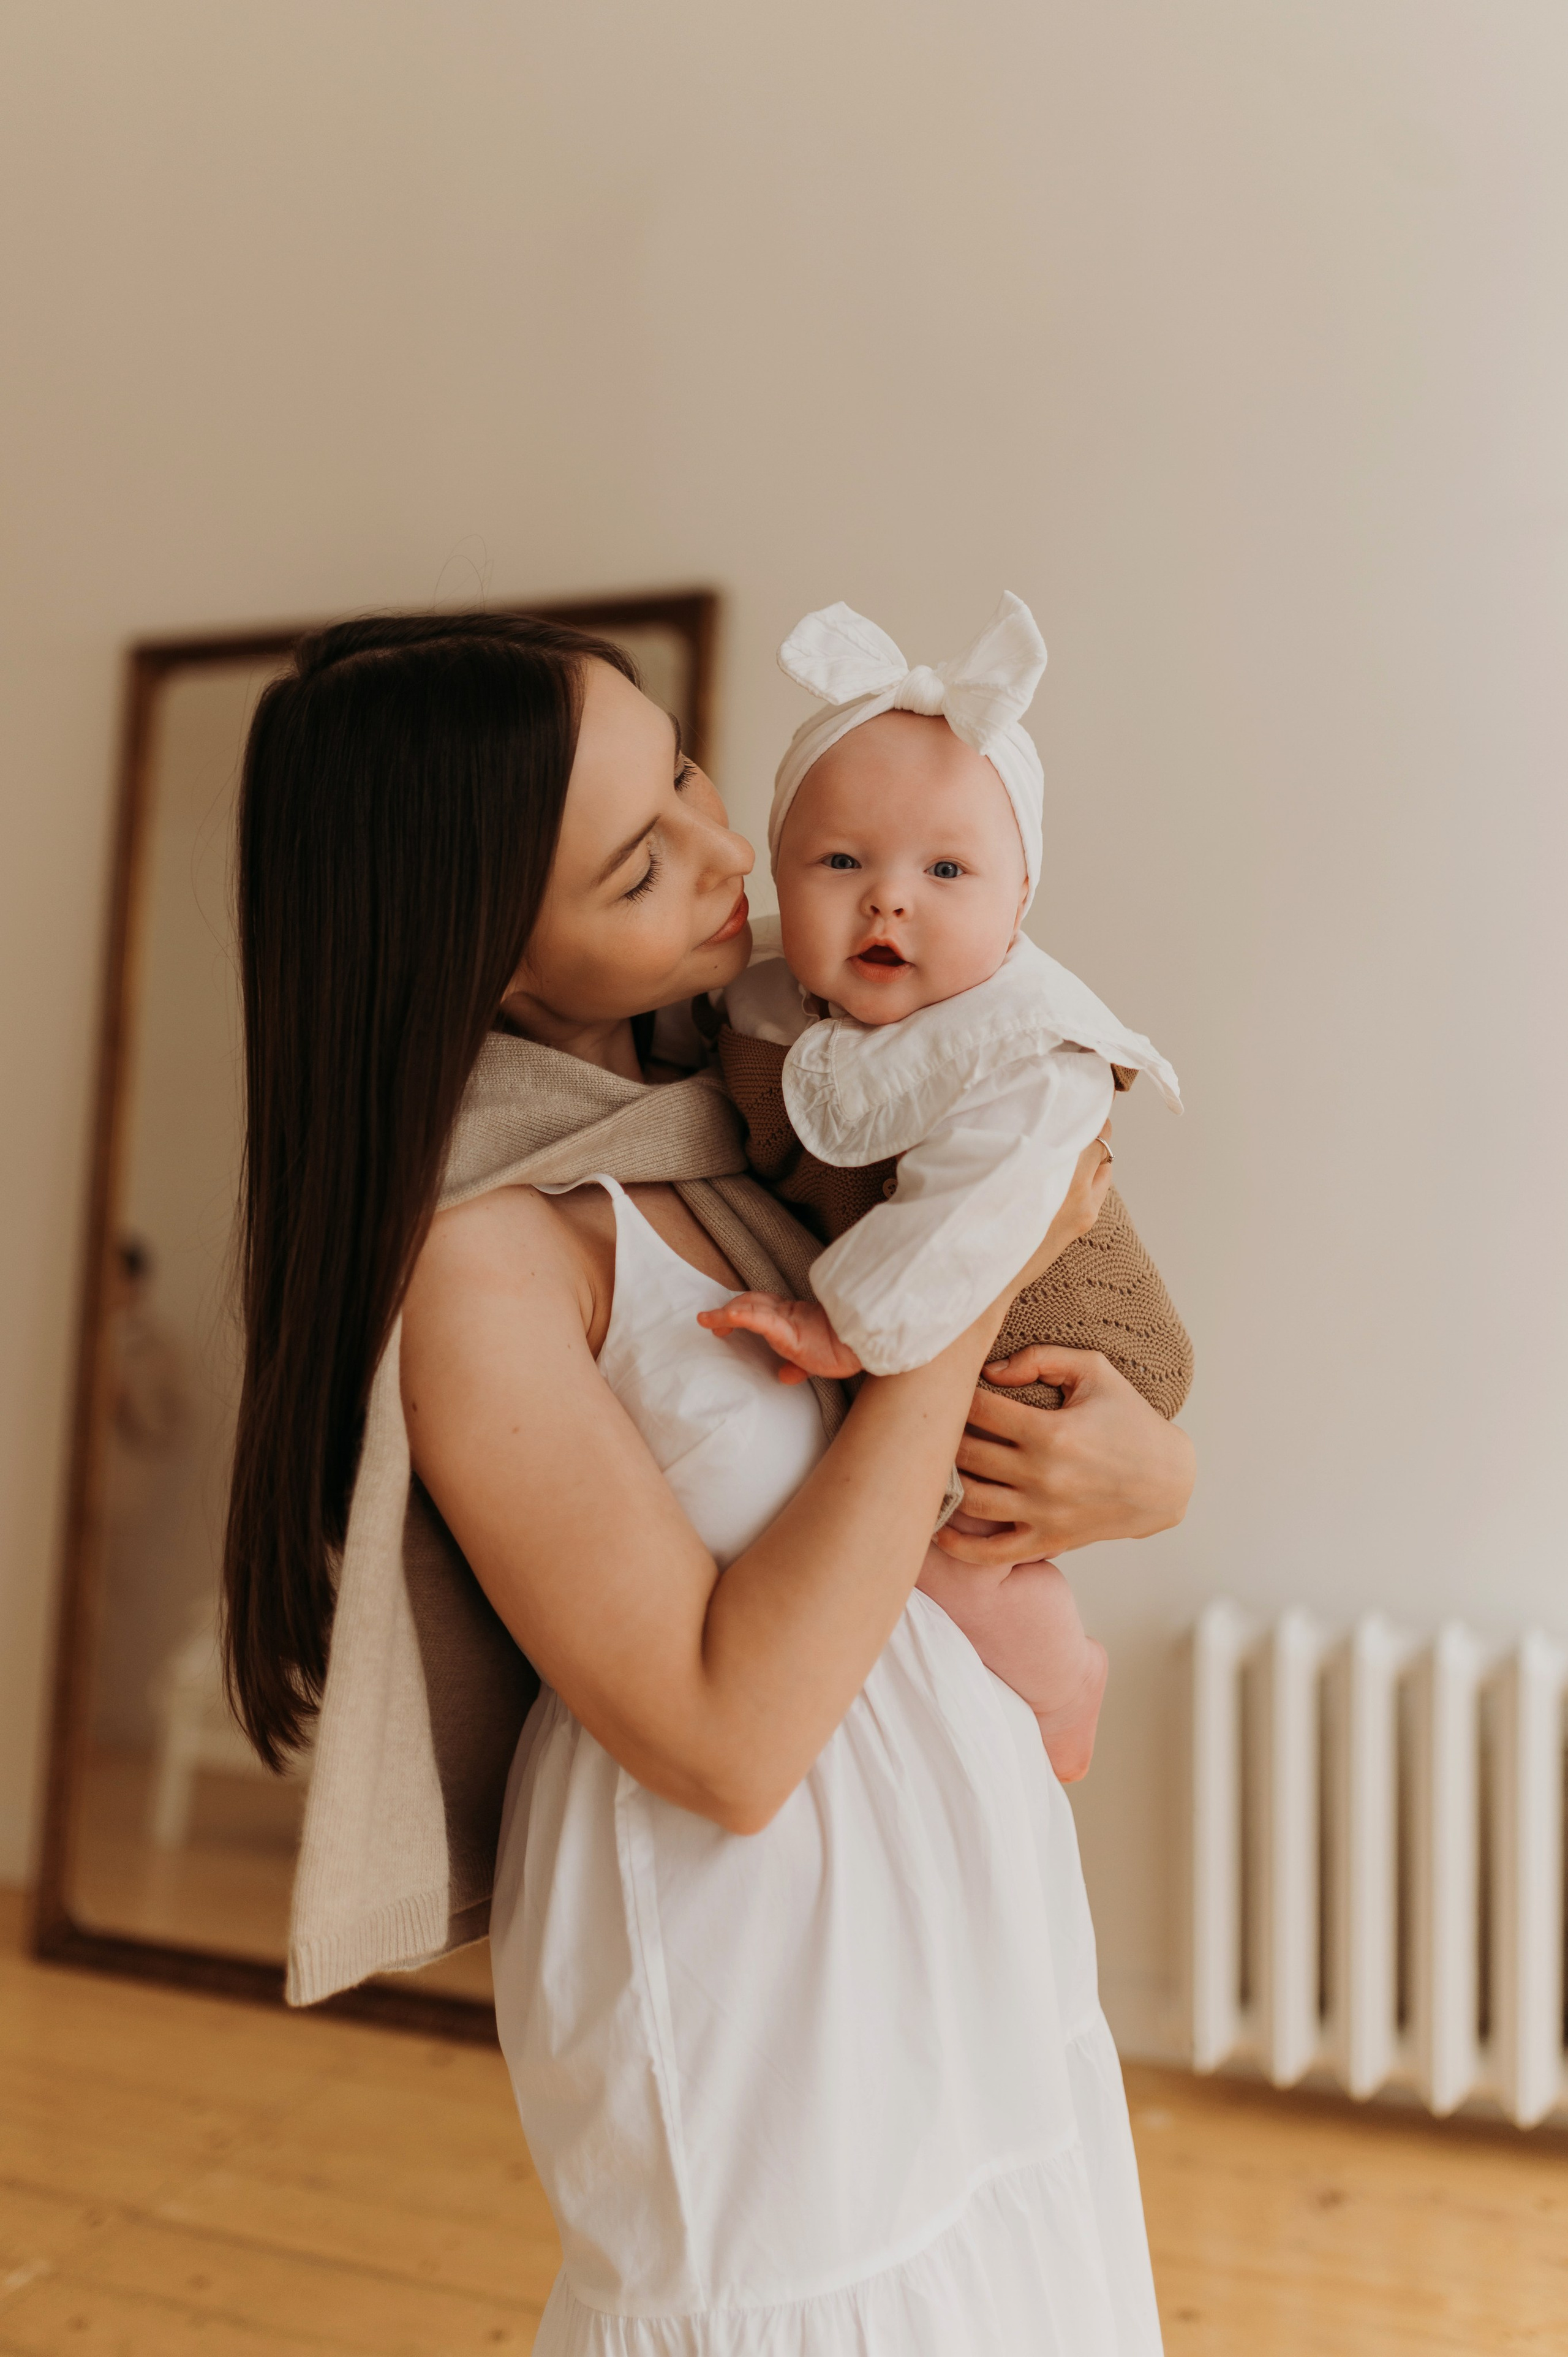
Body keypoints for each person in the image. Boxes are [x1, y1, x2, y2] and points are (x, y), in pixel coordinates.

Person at [222, 613, 1194, 2356]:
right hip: (764, 1954)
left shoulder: (759, 1114)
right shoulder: (487, 1262)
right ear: (488, 961)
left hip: (946, 1900)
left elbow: (989, 1405)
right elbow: (726, 1738)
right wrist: (968, 1294)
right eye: (637, 862)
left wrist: (1138, 1470)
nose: (731, 850)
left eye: (682, 769)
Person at [699, 594, 1185, 1779]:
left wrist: (842, 1325)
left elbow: (976, 1217)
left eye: (947, 868)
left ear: (1019, 904)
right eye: (840, 861)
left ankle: (1064, 1681)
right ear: (779, 872)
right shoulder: (767, 989)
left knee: (951, 1556)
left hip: (1054, 1340)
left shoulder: (1019, 1050)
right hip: (946, 1330)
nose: (889, 898)